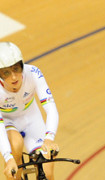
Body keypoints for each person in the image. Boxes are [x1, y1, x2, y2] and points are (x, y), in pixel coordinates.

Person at [0, 42, 59, 180]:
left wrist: (49, 138)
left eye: (17, 69)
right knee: (16, 145)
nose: (14, 77)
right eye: (6, 72)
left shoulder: (33, 73)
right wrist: (8, 158)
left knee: (48, 174)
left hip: (31, 117)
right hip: (8, 121)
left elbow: (51, 107)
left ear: (22, 64)